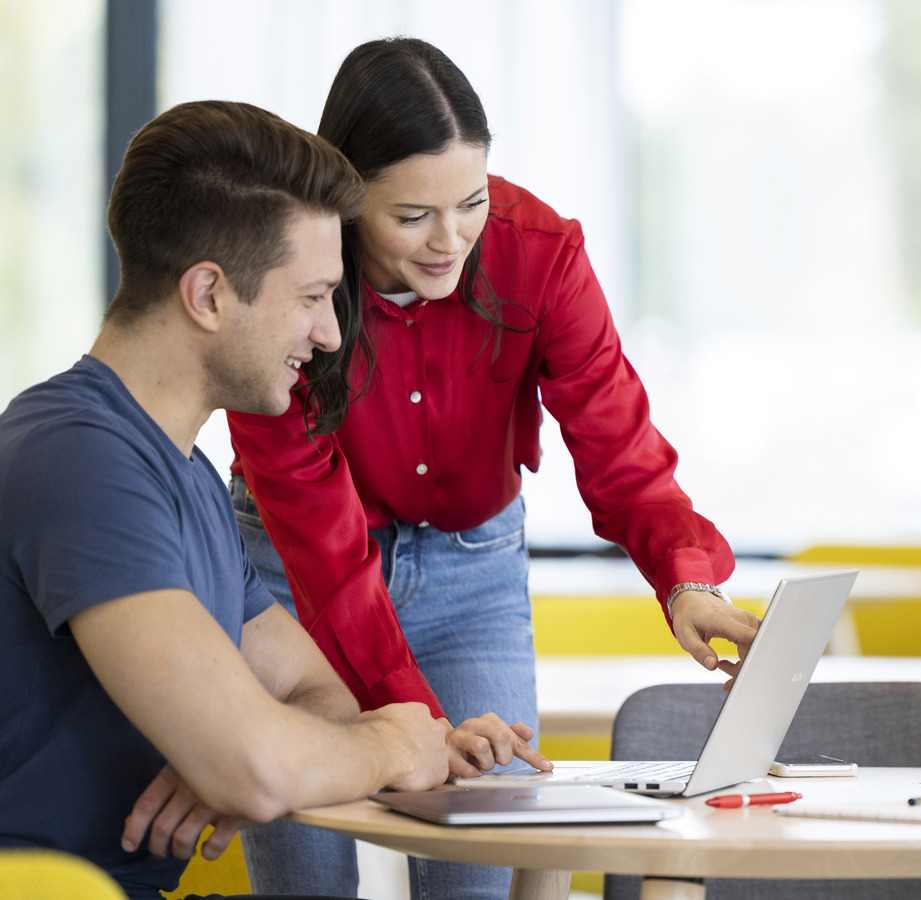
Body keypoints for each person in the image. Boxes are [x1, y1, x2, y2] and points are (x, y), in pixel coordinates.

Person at [227, 36, 763, 899]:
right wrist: (418, 722)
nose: (451, 243)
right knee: (306, 879)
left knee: (476, 874)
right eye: (411, 218)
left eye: (469, 202)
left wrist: (684, 578)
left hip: (470, 574)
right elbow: (322, 547)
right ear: (346, 198)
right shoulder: (283, 286)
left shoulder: (538, 252)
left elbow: (618, 444)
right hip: (294, 577)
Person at [0, 99, 542, 900]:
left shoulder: (183, 473)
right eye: (313, 295)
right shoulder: (79, 459)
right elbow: (257, 769)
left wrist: (240, 747)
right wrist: (380, 747)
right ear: (209, 295)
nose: (330, 334)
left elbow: (309, 692)